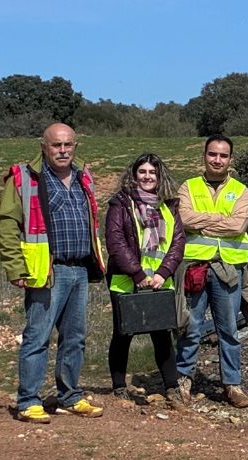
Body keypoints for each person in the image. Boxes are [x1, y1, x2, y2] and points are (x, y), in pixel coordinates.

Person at [0, 123, 106, 423]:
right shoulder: (25, 178)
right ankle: (29, 400)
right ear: (43, 146)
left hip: (79, 269)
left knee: (75, 337)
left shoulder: (84, 177)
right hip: (47, 269)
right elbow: (7, 224)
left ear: (76, 145)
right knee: (38, 336)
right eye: (56, 145)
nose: (63, 150)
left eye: (68, 145)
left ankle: (69, 396)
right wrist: (15, 266)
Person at [104, 152, 188, 408]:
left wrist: (163, 273)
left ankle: (172, 387)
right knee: (123, 333)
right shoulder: (120, 204)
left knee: (162, 335)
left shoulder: (169, 206)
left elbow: (178, 242)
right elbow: (116, 241)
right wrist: (138, 274)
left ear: (159, 176)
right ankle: (119, 386)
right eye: (142, 172)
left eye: (152, 172)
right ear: (134, 175)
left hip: (161, 281)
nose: (147, 177)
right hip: (127, 281)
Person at [175, 134, 248, 408]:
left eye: (222, 155)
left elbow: (238, 226)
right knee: (190, 327)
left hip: (227, 269)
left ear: (230, 159)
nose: (217, 159)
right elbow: (183, 219)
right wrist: (221, 219)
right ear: (204, 156)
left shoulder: (241, 191)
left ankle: (232, 385)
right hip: (194, 268)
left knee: (228, 330)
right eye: (212, 154)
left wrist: (202, 222)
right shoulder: (188, 187)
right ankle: (182, 381)